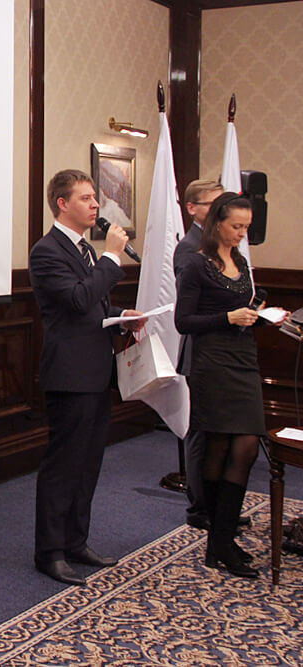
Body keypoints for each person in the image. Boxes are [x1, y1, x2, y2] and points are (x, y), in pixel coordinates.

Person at [29, 169, 144, 587]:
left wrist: (120, 317)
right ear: (62, 204)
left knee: (89, 462)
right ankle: (50, 552)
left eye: (95, 197)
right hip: (69, 374)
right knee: (64, 465)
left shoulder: (85, 250)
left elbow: (92, 307)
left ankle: (76, 541)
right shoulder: (47, 251)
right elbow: (77, 301)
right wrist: (112, 257)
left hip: (96, 370)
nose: (96, 205)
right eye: (86, 198)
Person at [175, 192, 287, 578]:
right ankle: (220, 541)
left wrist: (259, 314)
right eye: (236, 226)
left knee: (247, 447)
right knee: (221, 446)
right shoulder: (196, 264)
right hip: (213, 363)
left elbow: (242, 309)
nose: (242, 233)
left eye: (246, 227)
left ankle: (221, 540)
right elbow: (183, 321)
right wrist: (228, 317)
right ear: (217, 223)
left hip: (243, 361)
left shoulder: (240, 260)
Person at [173, 180, 224, 531]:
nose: (221, 212)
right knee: (202, 432)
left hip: (227, 351)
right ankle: (200, 506)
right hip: (201, 352)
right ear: (192, 208)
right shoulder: (189, 248)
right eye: (213, 205)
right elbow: (192, 306)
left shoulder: (223, 244)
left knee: (223, 432)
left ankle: (220, 504)